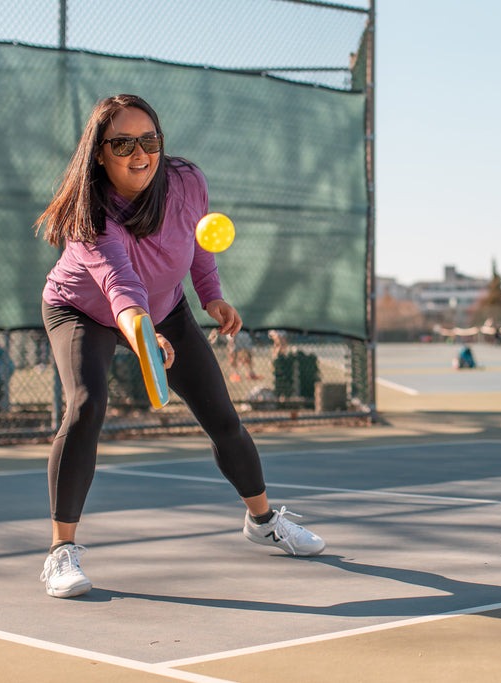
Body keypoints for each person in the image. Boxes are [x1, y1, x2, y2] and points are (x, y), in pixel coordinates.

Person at [34, 94, 325, 598]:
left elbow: (196, 244)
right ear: (99, 153)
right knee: (86, 405)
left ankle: (263, 522)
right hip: (82, 309)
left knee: (223, 416)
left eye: (149, 140)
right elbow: (118, 285)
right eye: (122, 143)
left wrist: (212, 298)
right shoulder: (92, 213)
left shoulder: (187, 180)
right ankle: (61, 553)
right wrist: (145, 336)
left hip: (166, 307)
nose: (139, 152)